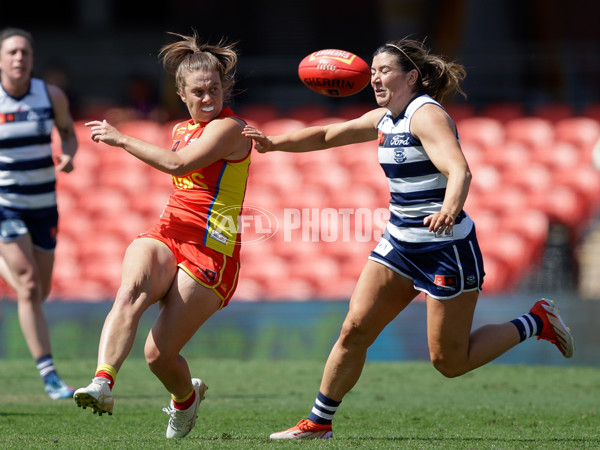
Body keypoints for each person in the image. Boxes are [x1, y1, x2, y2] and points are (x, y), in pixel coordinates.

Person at [242, 38, 575, 440]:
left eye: (384, 71)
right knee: (354, 330)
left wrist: (449, 209)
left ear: (411, 76)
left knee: (449, 362)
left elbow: (459, 171)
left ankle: (536, 320)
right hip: (399, 247)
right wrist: (274, 143)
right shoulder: (386, 118)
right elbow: (329, 135)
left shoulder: (424, 115)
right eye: (373, 72)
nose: (375, 78)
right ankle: (318, 422)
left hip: (445, 251)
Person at [73, 31, 251, 440]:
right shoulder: (180, 128)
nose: (209, 99)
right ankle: (103, 383)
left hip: (213, 250)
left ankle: (186, 400)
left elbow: (177, 165)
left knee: (158, 356)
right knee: (130, 290)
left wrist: (121, 138)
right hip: (168, 232)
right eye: (199, 92)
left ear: (224, 88)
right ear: (182, 95)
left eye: (215, 89)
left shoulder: (232, 129)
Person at [0, 27, 78, 399]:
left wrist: (69, 154)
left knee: (37, 292)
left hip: (44, 205)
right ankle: (50, 376)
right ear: (1, 59)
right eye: (12, 52)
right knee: (28, 283)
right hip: (5, 204)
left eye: (25, 53)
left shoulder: (51, 96)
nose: (19, 58)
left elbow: (69, 133)